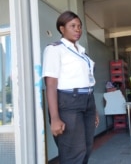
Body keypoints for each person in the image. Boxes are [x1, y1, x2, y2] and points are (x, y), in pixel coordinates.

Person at [42, 11, 99, 164]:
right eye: (72, 26)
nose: (77, 30)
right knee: (73, 153)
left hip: (88, 101)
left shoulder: (82, 53)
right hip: (68, 103)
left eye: (79, 26)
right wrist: (55, 118)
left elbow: (87, 81)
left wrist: (94, 111)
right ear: (62, 29)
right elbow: (51, 84)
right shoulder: (55, 49)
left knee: (86, 148)